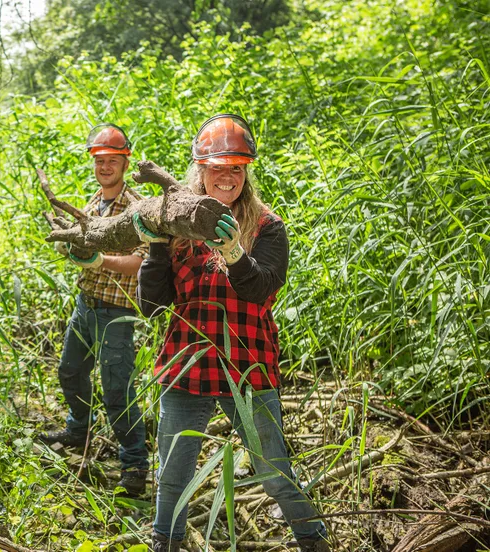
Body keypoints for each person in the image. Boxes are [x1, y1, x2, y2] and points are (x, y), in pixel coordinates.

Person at [134, 114, 331, 551]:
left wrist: (233, 252)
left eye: (236, 168)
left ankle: (315, 543)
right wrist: (155, 248)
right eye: (218, 167)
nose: (227, 176)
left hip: (248, 366)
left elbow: (262, 291)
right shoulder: (177, 223)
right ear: (200, 170)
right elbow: (152, 306)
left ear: (247, 172)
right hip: (186, 364)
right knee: (172, 476)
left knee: (274, 471)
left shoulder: (267, 226)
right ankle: (164, 544)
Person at [40, 123, 151, 496]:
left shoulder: (135, 209)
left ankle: (135, 464)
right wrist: (69, 245)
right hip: (84, 306)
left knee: (118, 391)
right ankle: (78, 428)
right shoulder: (93, 203)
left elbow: (141, 263)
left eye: (112, 161)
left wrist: (99, 260)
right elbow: (80, 243)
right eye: (100, 160)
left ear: (124, 162)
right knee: (70, 371)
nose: (105, 167)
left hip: (116, 313)